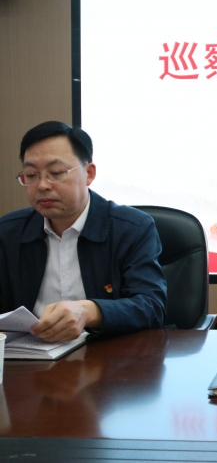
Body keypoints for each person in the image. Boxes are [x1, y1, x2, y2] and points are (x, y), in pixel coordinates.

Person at [0, 121, 166, 342]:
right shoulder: (8, 232)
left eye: (56, 172)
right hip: (27, 355)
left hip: (108, 353)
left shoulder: (132, 228)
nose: (42, 185)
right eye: (31, 175)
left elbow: (152, 306)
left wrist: (89, 312)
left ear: (89, 173)